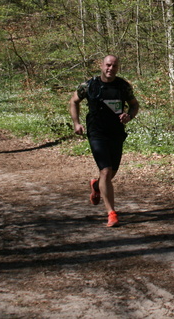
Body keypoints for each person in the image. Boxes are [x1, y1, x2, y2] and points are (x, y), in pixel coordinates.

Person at [69, 55, 139, 227]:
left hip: (116, 132)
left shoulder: (123, 86)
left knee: (111, 172)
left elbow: (134, 104)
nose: (111, 69)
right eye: (108, 65)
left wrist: (129, 115)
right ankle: (111, 213)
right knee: (106, 171)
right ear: (101, 66)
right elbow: (73, 101)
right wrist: (76, 123)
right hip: (96, 132)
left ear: (118, 68)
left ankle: (97, 186)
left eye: (114, 66)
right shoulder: (89, 85)